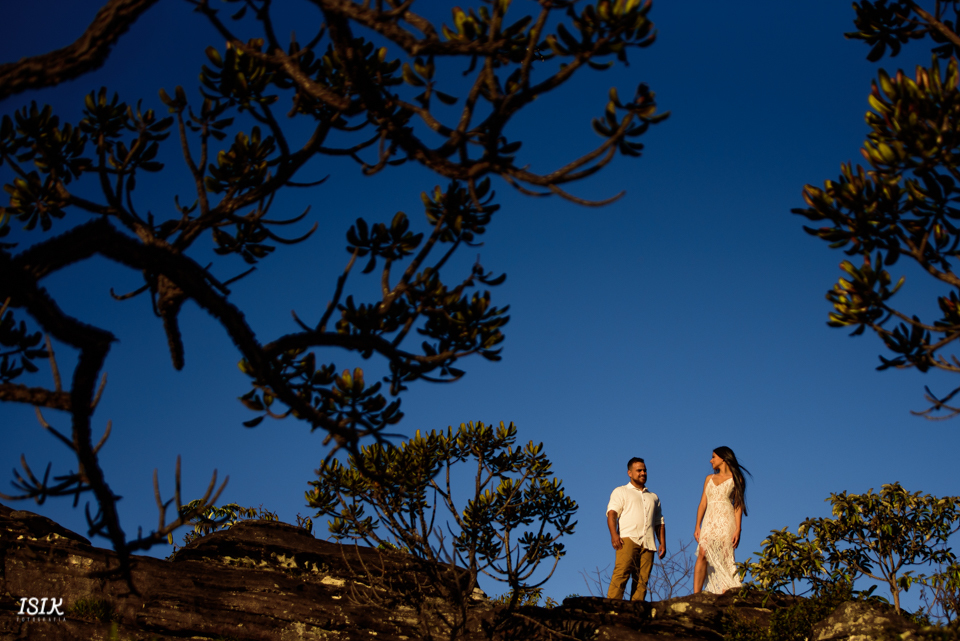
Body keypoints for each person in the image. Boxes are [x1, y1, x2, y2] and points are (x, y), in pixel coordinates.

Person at [606, 457, 666, 601]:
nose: (643, 473)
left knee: (642, 581)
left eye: (644, 470)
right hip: (628, 538)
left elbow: (660, 522)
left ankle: (635, 612)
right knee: (621, 574)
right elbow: (612, 514)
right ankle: (611, 608)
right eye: (639, 470)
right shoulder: (621, 491)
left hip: (649, 543)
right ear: (630, 473)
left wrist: (662, 542)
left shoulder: (653, 497)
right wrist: (614, 535)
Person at [693, 446, 751, 594]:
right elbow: (702, 503)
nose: (710, 460)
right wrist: (697, 526)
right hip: (709, 520)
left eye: (713, 457)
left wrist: (738, 528)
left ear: (723, 458)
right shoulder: (709, 479)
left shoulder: (737, 479)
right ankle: (696, 595)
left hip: (726, 520)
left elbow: (737, 505)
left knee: (725, 556)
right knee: (702, 553)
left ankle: (727, 591)